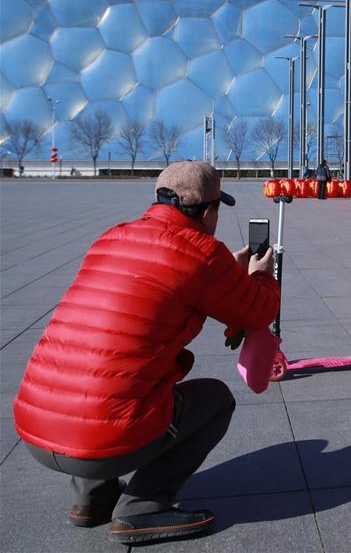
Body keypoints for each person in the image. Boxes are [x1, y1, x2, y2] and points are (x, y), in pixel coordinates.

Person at [13, 161, 280, 545]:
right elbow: (258, 311)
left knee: (101, 367)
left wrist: (228, 274)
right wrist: (259, 276)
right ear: (209, 212)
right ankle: (142, 507)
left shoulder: (113, 236)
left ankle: (91, 498)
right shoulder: (203, 251)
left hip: (36, 428)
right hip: (102, 441)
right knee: (215, 400)